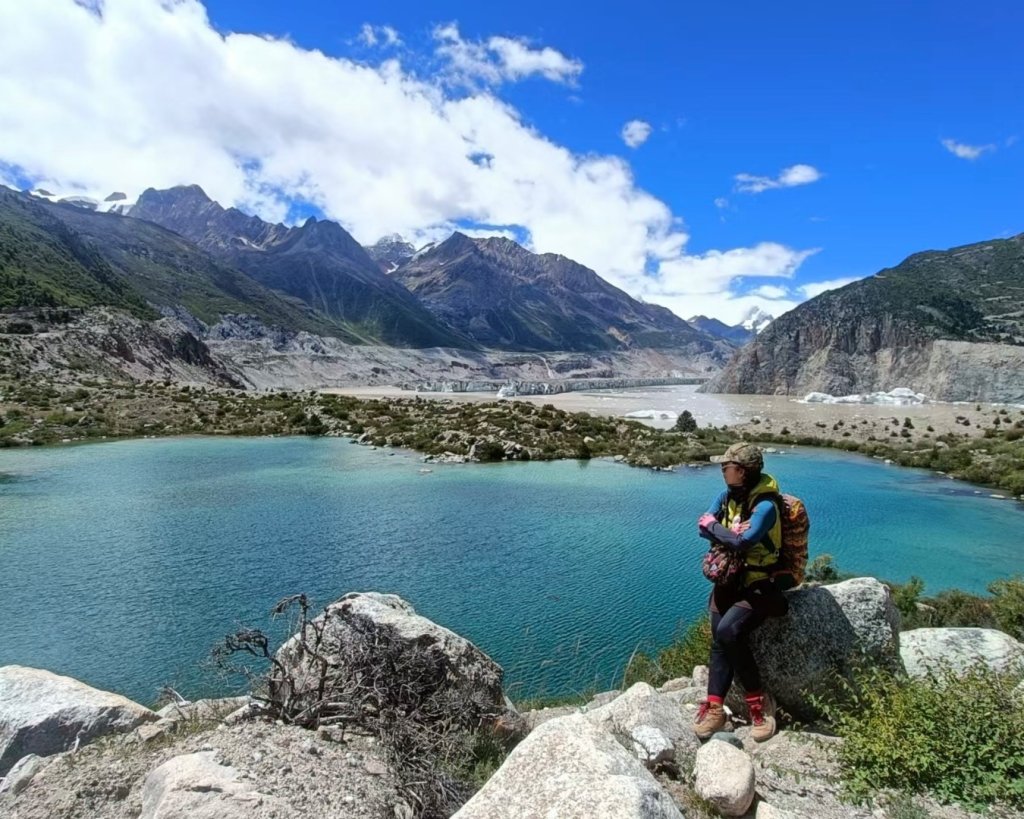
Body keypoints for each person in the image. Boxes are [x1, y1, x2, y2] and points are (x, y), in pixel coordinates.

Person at [693, 442, 791, 742]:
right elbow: (701, 527)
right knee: (718, 638)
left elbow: (743, 543)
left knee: (729, 633)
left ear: (744, 471)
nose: (723, 470)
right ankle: (715, 710)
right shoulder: (726, 497)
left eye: (728, 466)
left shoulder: (765, 506)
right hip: (730, 581)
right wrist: (727, 532)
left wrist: (721, 530)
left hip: (760, 585)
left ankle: (760, 706)